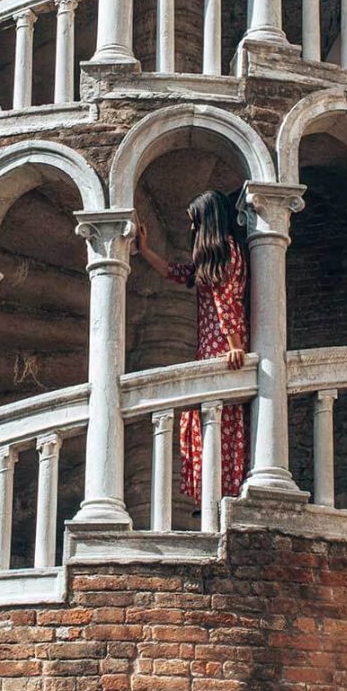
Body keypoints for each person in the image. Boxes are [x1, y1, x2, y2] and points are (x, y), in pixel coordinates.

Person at [135, 189, 249, 506]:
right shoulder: (212, 256)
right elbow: (177, 272)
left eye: (195, 222)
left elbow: (225, 299)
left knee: (217, 417)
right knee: (206, 418)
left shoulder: (225, 249)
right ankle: (213, 492)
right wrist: (144, 250)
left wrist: (234, 345)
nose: (192, 229)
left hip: (222, 344)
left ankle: (220, 491)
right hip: (213, 343)